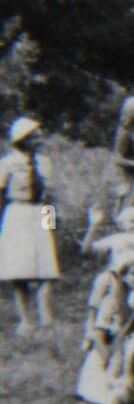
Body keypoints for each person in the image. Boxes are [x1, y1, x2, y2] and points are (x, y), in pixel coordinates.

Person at [0, 117, 59, 332]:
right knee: (20, 267)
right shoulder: (7, 163)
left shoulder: (45, 162)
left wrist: (51, 222)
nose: (39, 140)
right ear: (22, 140)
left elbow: (50, 194)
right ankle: (25, 319)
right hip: (18, 213)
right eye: (34, 137)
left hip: (40, 210)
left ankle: (46, 316)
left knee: (46, 266)